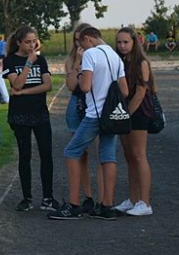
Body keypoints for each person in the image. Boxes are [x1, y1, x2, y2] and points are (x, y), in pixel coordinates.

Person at [48, 26, 128, 221]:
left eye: (81, 43)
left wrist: (83, 65)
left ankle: (74, 204)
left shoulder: (91, 54)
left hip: (94, 114)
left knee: (71, 152)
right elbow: (124, 91)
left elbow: (84, 87)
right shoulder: (115, 56)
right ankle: (106, 205)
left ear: (89, 39)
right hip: (111, 115)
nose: (80, 47)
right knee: (108, 156)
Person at [3, 26, 59, 212]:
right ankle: (27, 197)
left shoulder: (41, 60)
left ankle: (48, 197)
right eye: (27, 41)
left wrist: (23, 92)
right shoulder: (10, 60)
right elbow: (16, 83)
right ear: (19, 42)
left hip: (39, 112)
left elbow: (47, 86)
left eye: (34, 41)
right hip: (20, 114)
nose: (32, 44)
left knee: (46, 154)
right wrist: (28, 63)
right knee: (25, 155)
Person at [114, 27, 155, 216]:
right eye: (119, 42)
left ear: (133, 43)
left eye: (126, 42)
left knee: (139, 155)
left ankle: (145, 202)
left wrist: (126, 115)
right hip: (124, 112)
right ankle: (132, 199)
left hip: (138, 112)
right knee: (129, 157)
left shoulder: (141, 62)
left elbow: (140, 92)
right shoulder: (119, 61)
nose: (122, 46)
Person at [63, 23, 99, 215]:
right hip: (78, 104)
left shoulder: (100, 56)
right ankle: (88, 196)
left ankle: (104, 199)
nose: (80, 43)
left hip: (97, 103)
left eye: (82, 39)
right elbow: (71, 85)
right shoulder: (72, 59)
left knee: (102, 151)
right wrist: (78, 61)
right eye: (76, 40)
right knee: (80, 153)